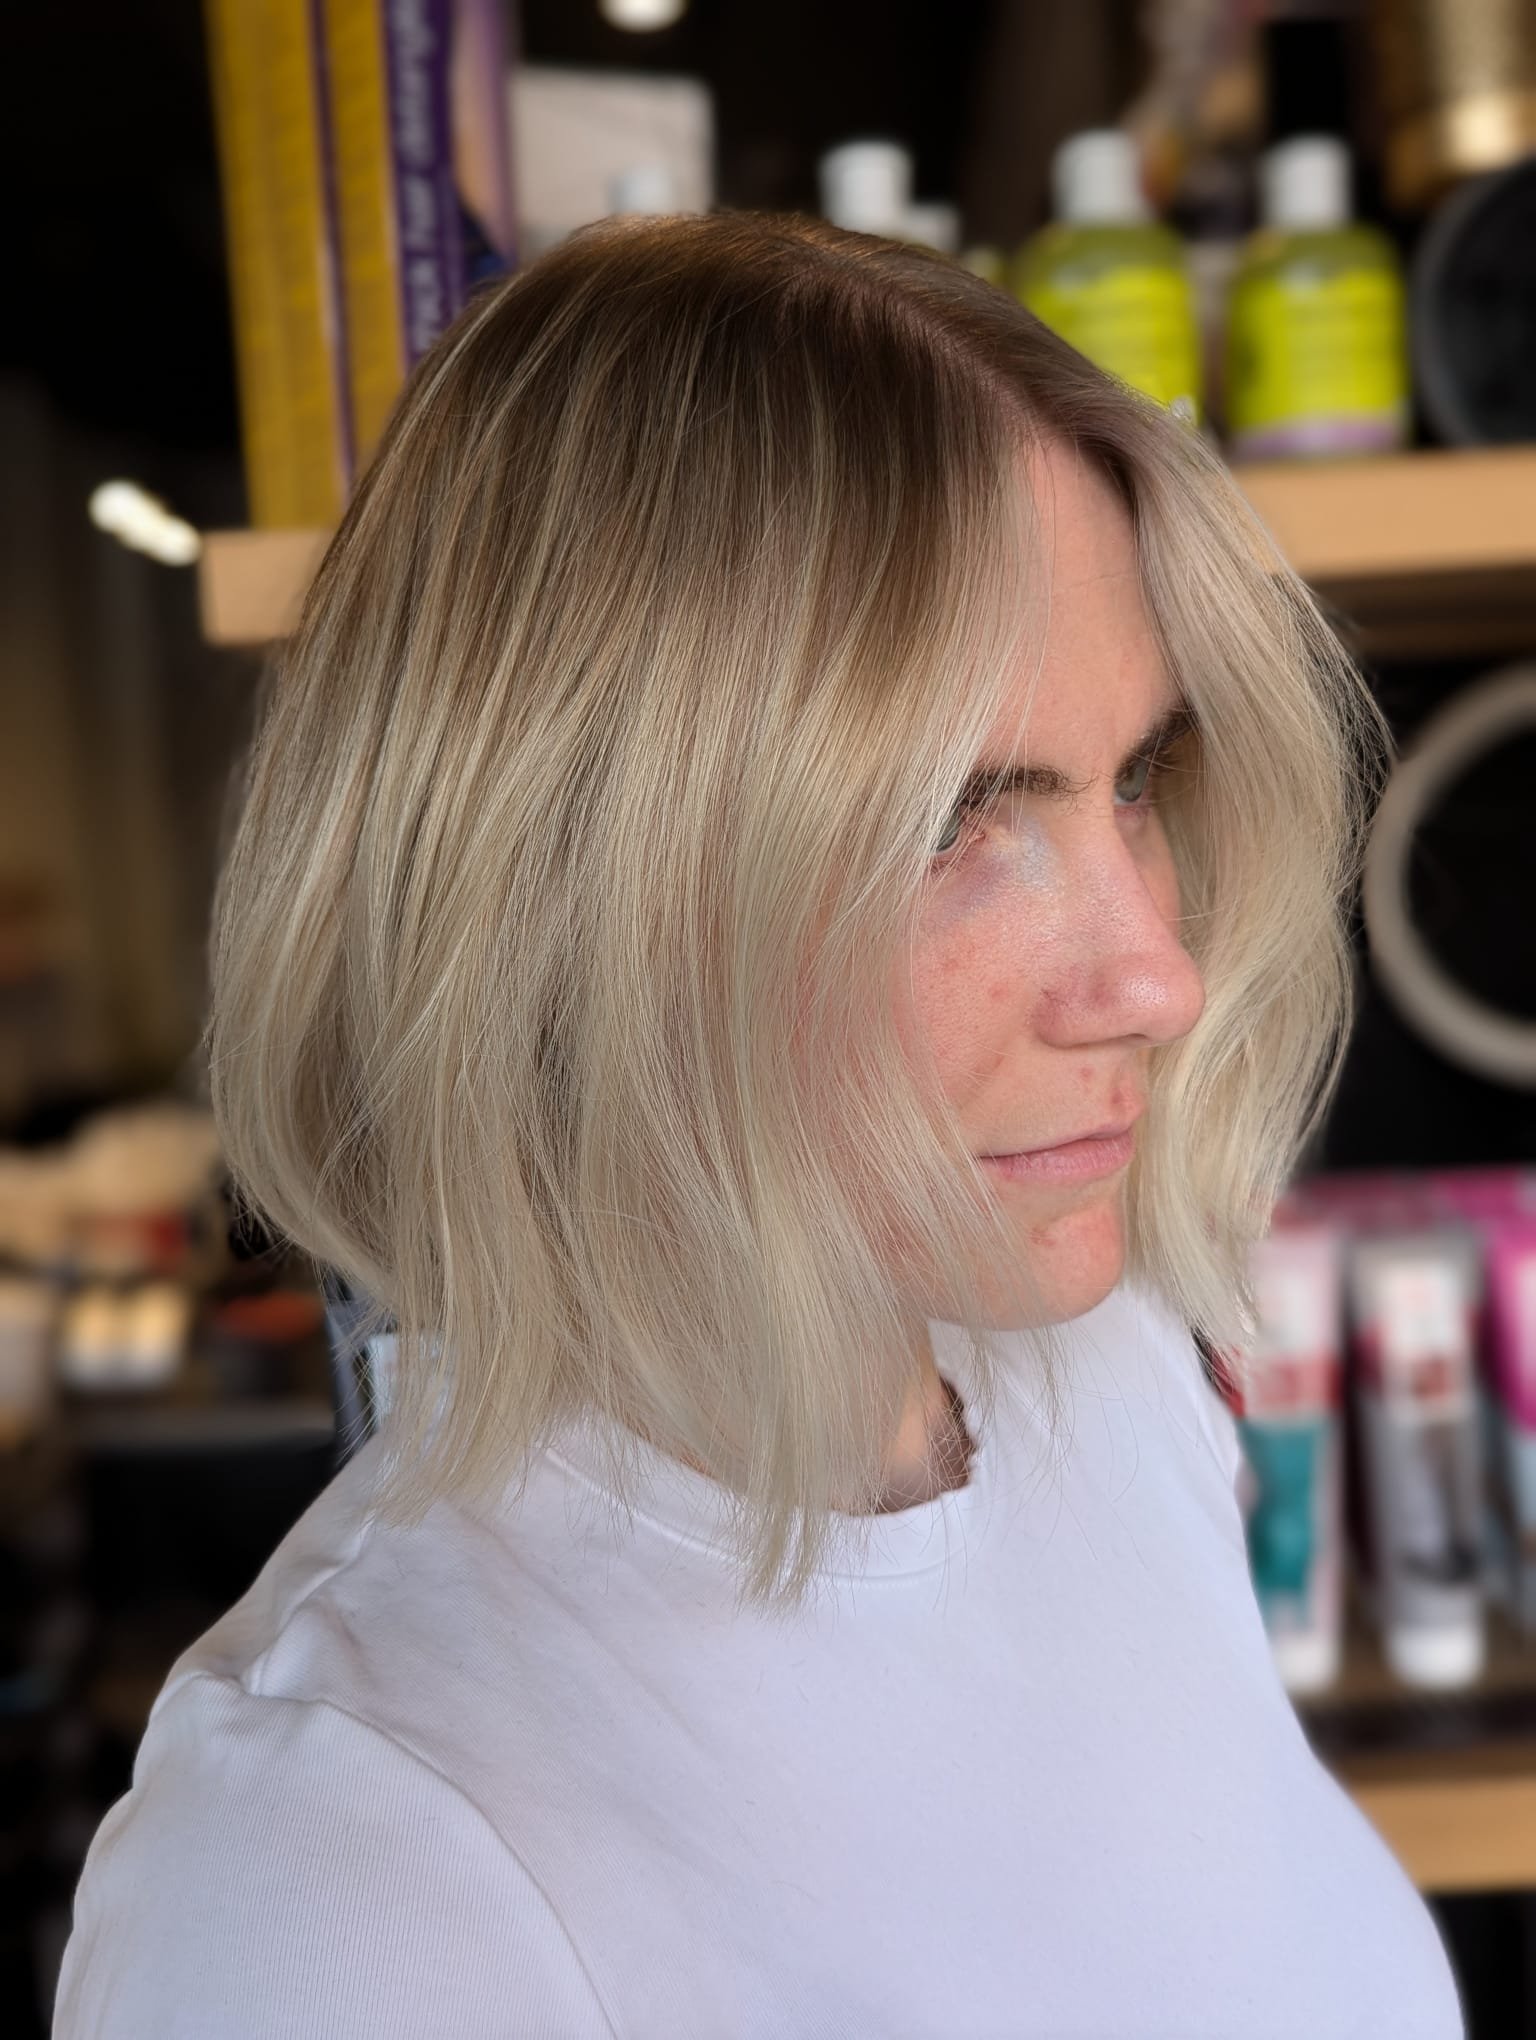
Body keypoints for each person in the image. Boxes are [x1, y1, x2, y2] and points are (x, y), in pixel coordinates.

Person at [53, 212, 1467, 2038]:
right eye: (959, 815)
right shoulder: (338, 1860)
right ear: (570, 886)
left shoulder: (1110, 1383)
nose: (1151, 978)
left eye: (1135, 785)